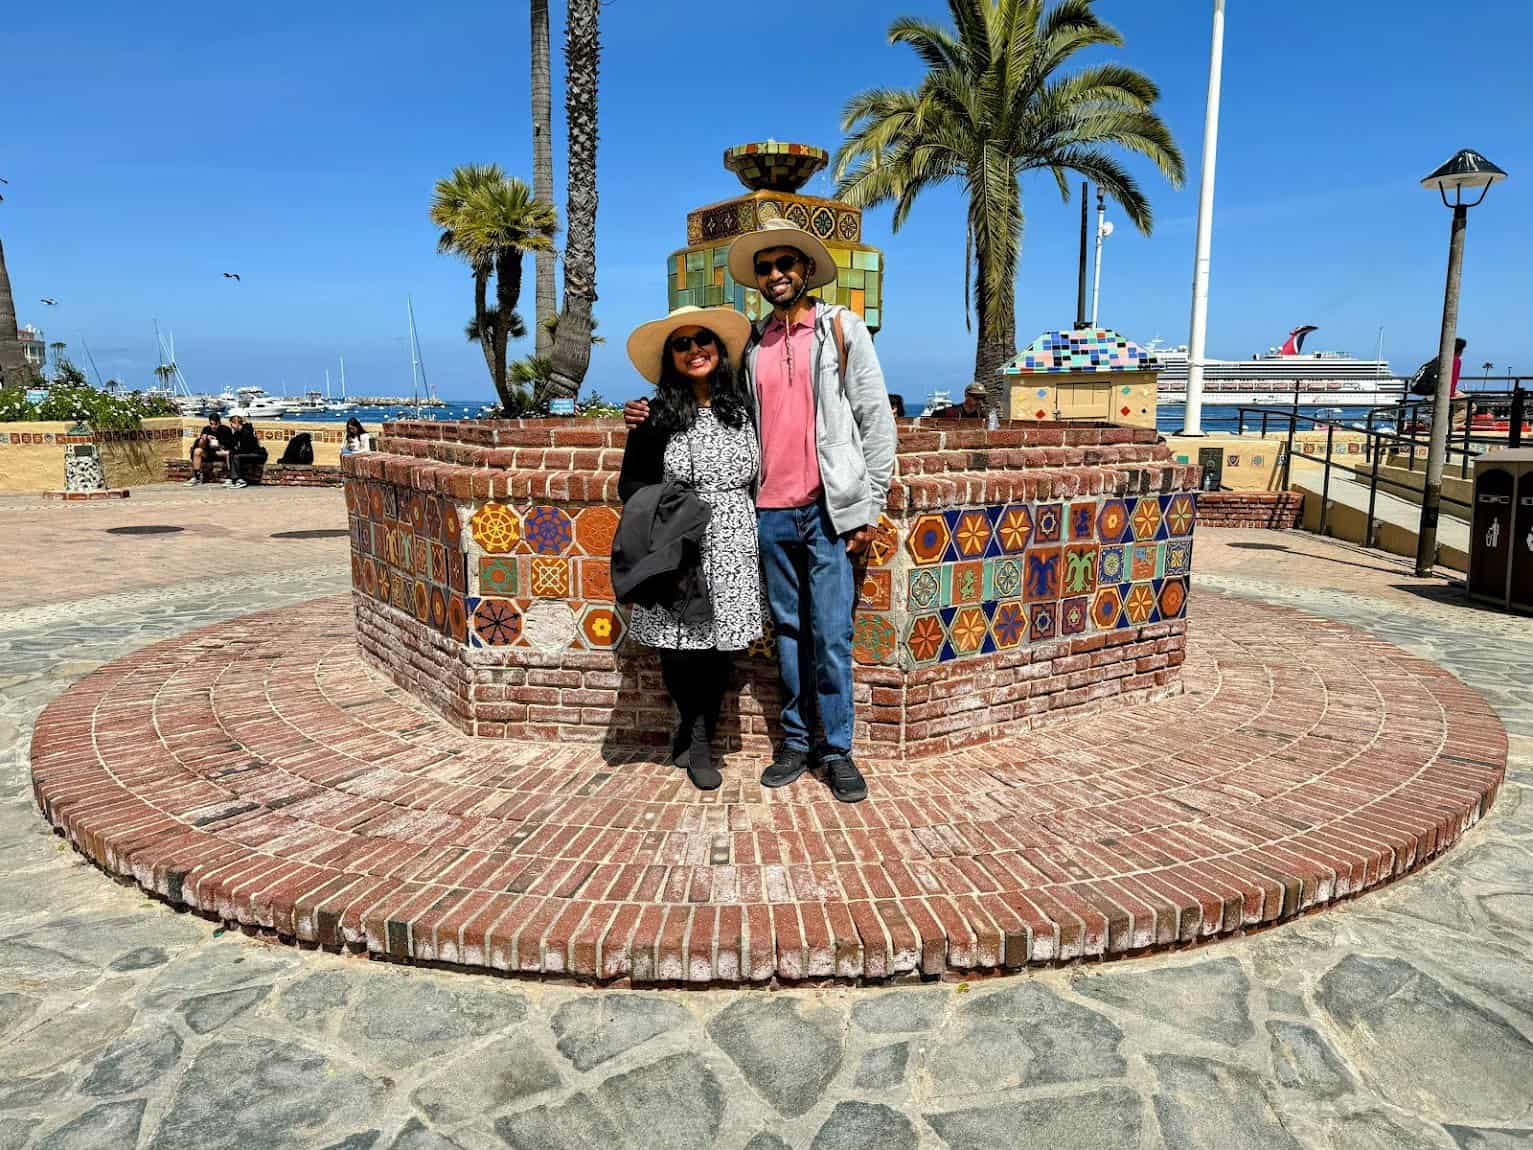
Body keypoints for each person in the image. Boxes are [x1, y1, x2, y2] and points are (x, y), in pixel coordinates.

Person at [625, 217, 896, 803]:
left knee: (831, 635)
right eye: (765, 268)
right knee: (790, 634)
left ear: (805, 270)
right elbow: (700, 417)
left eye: (785, 265)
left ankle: (838, 751)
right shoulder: (754, 345)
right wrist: (644, 416)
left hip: (827, 511)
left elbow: (876, 422)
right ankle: (796, 743)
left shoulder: (841, 331)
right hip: (766, 514)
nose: (775, 275)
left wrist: (867, 508)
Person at [615, 305, 761, 791]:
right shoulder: (654, 415)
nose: (695, 349)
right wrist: (674, 509)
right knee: (677, 646)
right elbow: (629, 484)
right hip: (679, 540)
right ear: (670, 357)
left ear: (719, 350)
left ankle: (700, 736)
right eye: (682, 343)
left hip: (733, 538)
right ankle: (692, 729)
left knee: (718, 646)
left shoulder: (745, 407)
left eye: (704, 340)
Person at [186, 413, 234, 484]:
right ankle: (196, 476)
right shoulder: (206, 429)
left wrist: (217, 443)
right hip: (208, 452)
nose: (213, 426)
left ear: (219, 423)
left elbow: (228, 446)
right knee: (197, 451)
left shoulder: (226, 430)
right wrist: (204, 439)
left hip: (220, 452)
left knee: (228, 453)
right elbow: (200, 445)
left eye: (215, 424)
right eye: (211, 424)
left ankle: (230, 476)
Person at [223, 415, 267, 489]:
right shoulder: (237, 433)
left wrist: (234, 451)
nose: (231, 427)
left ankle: (239, 480)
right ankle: (232, 478)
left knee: (236, 456)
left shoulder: (247, 431)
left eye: (232, 424)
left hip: (258, 454)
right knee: (231, 454)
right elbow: (232, 444)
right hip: (248, 453)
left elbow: (247, 449)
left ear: (236, 423)